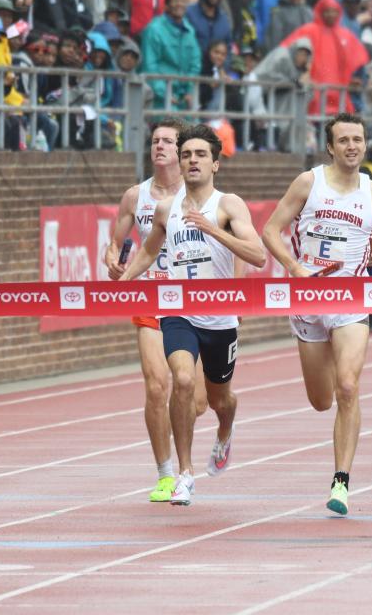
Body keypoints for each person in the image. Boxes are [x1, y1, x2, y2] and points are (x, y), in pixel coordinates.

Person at [118, 123, 267, 506]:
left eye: (200, 155)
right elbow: (149, 250)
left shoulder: (228, 205)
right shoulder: (166, 208)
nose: (192, 161)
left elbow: (257, 255)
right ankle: (184, 473)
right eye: (186, 155)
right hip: (178, 312)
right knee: (181, 380)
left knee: (220, 400)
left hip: (220, 319)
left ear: (215, 164)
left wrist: (213, 231)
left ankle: (225, 431)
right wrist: (126, 281)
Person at [260, 113, 372, 515]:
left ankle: (341, 481)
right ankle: (336, 451)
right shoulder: (309, 182)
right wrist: (296, 268)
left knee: (348, 386)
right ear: (330, 147)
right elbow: (271, 231)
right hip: (308, 302)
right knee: (321, 400)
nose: (352, 146)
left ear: (365, 144)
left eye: (358, 139)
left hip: (352, 301)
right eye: (344, 140)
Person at [104, 118, 208, 503]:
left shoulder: (198, 193)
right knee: (156, 385)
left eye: (168, 141)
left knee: (195, 399)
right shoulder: (135, 196)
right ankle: (166, 473)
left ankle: (183, 451)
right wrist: (114, 261)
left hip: (194, 299)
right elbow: (114, 246)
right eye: (155, 141)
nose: (159, 147)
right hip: (151, 295)